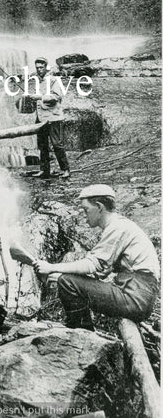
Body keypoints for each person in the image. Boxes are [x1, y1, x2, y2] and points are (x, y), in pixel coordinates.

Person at [33, 184, 160, 330]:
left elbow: (92, 265)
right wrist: (58, 275)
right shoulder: (121, 225)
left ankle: (80, 333)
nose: (84, 215)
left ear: (99, 207)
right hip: (137, 296)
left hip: (135, 299)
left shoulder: (117, 227)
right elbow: (100, 271)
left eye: (86, 210)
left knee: (68, 282)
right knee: (66, 279)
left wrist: (50, 268)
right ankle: (82, 330)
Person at [31, 57, 70, 179]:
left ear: (46, 67)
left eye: (41, 67)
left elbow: (57, 97)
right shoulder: (38, 81)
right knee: (42, 145)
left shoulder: (53, 80)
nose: (39, 70)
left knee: (57, 144)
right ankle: (44, 170)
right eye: (37, 67)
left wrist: (39, 97)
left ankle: (65, 169)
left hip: (53, 117)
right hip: (41, 118)